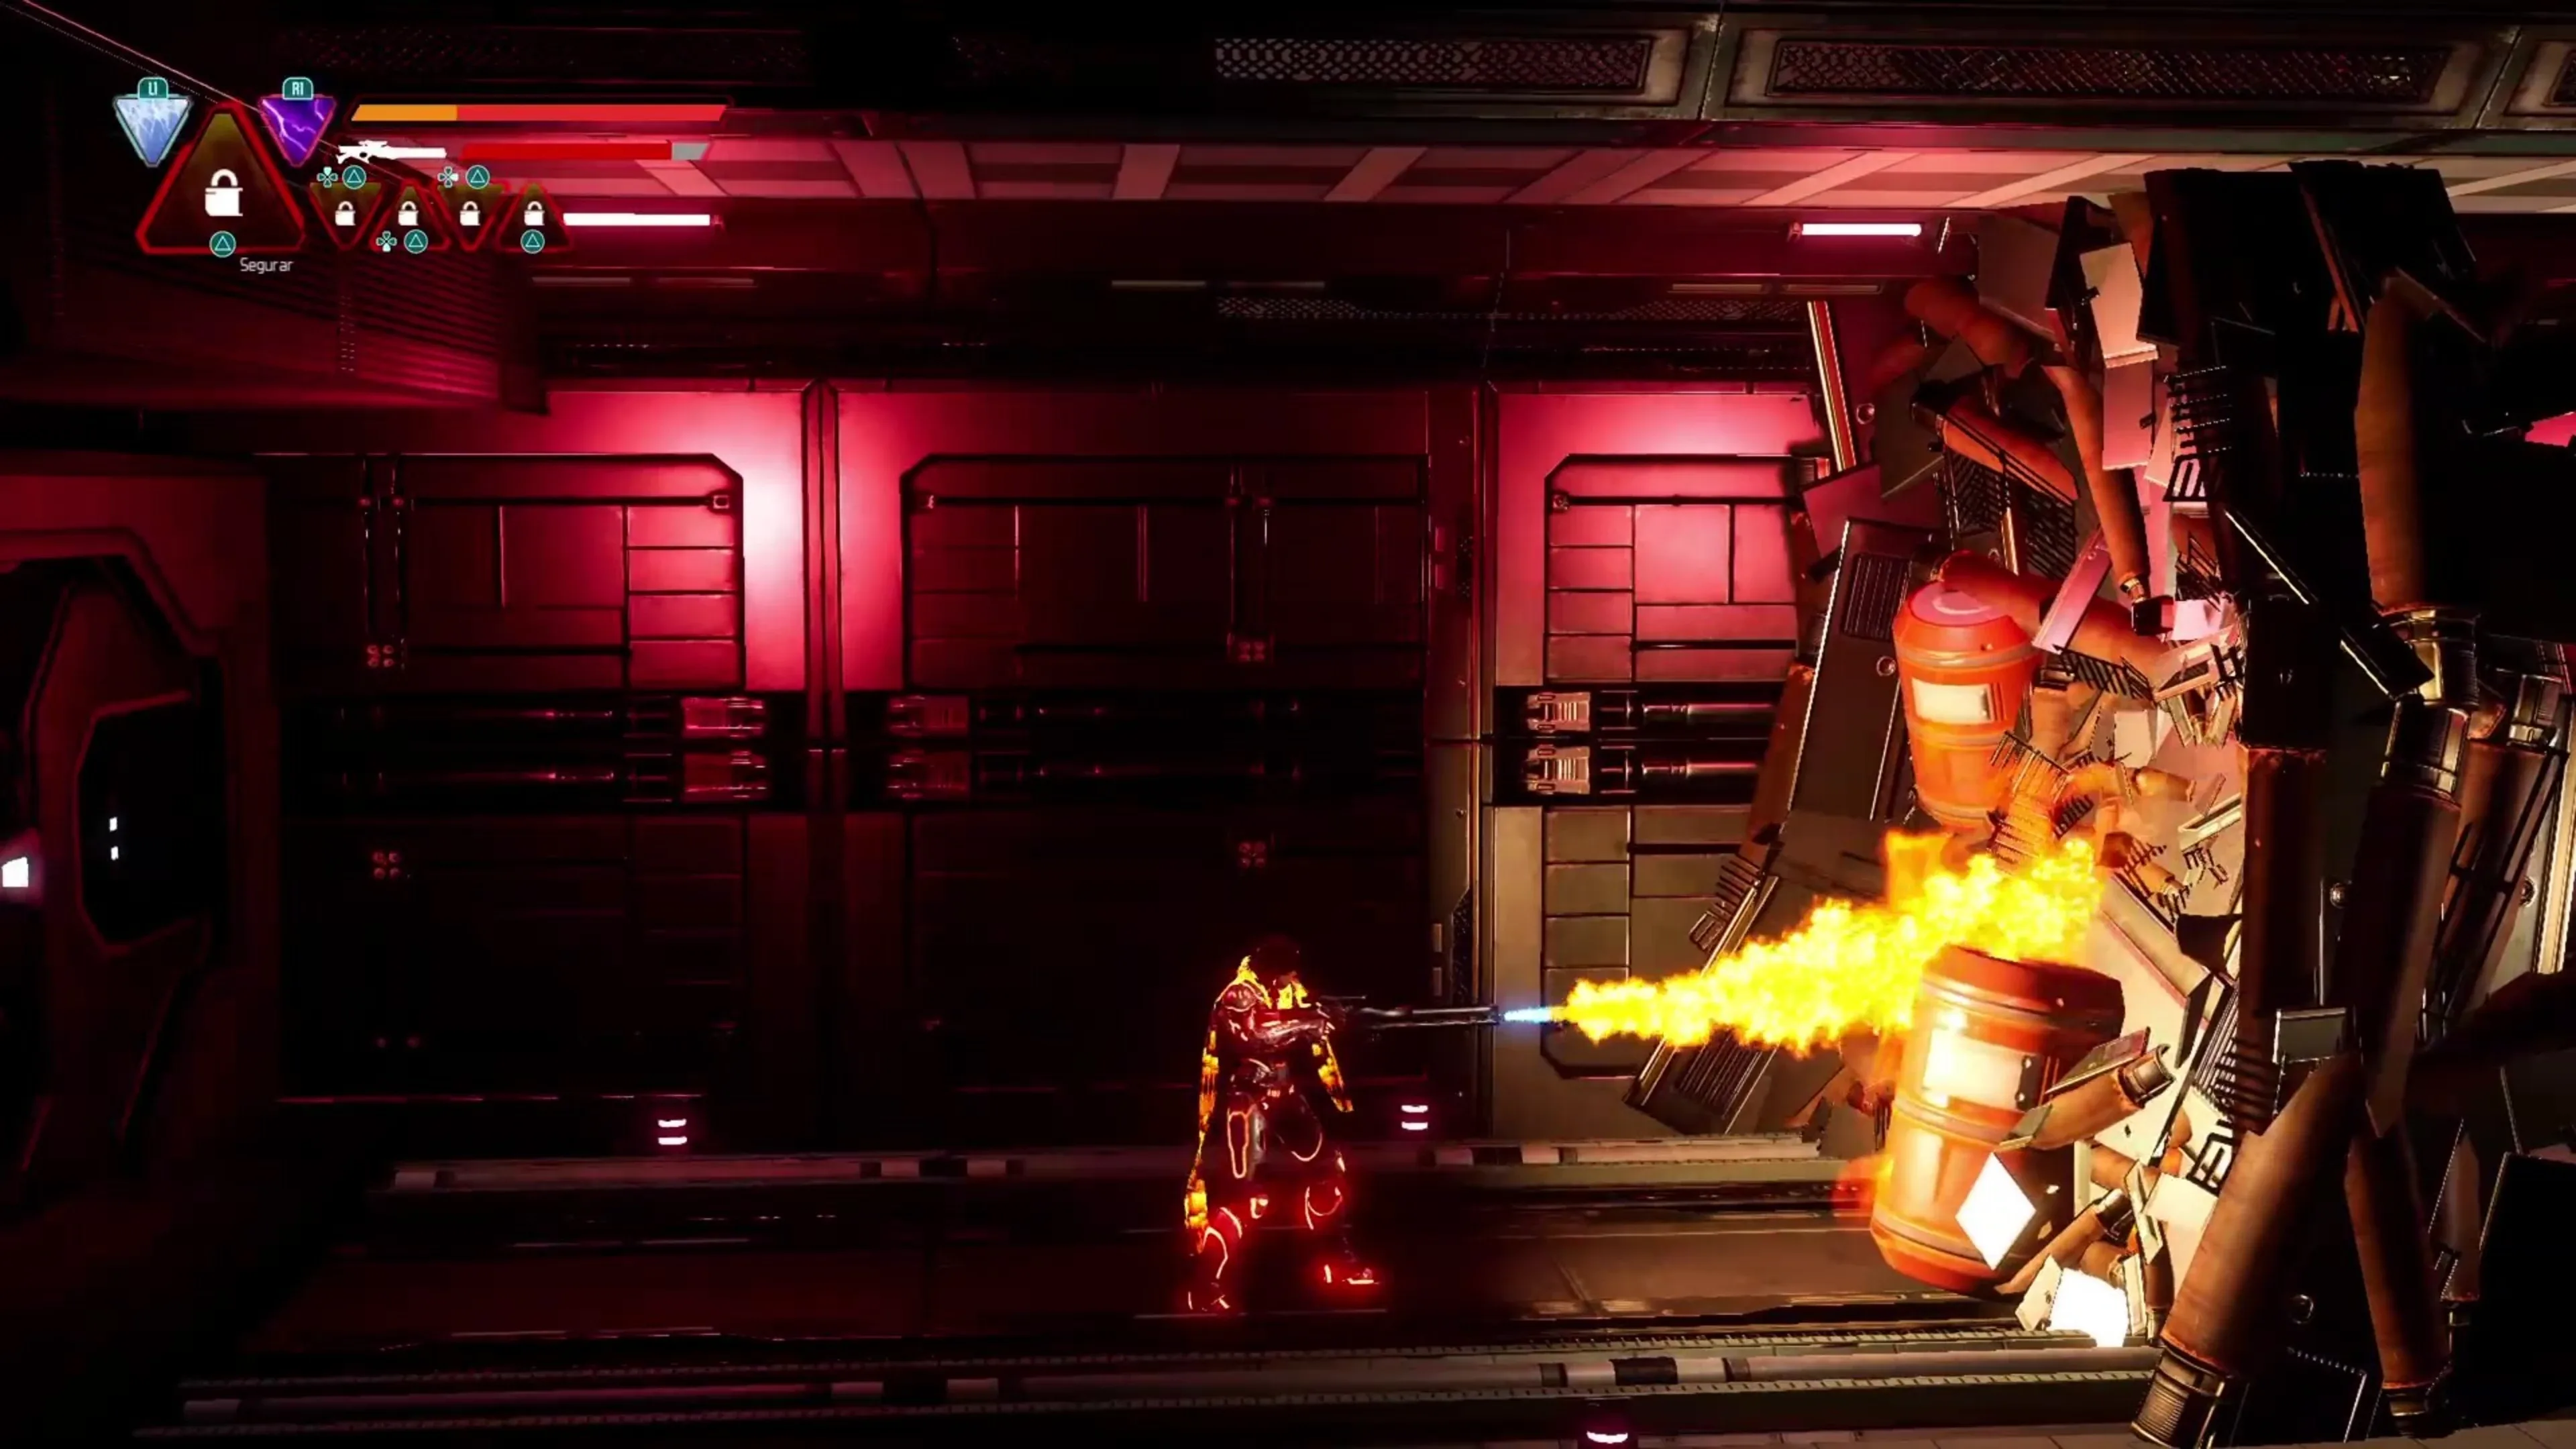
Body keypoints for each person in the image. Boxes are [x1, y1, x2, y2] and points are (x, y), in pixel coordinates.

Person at [1181, 934, 1377, 1313]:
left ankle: (1336, 1260)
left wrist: (1333, 1018)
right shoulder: (1238, 994)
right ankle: (1206, 1285)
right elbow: (1254, 1037)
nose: (1293, 979)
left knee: (1328, 1173)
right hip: (1248, 1100)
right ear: (1273, 969)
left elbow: (1310, 1013)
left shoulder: (1288, 991)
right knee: (1246, 1198)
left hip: (1287, 1094)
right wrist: (1309, 1024)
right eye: (1288, 972)